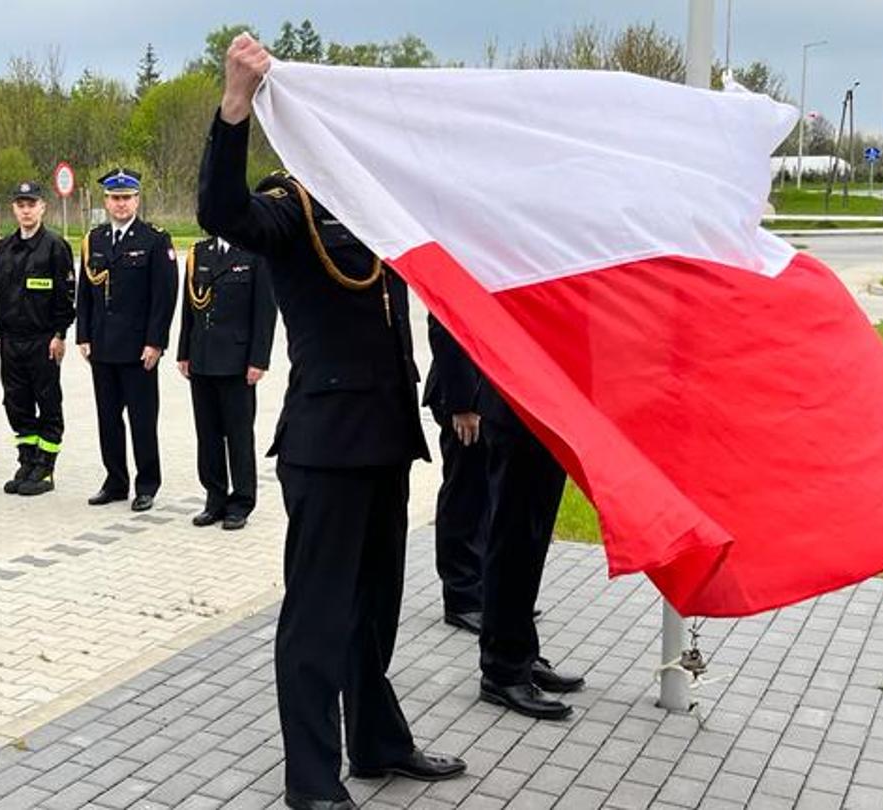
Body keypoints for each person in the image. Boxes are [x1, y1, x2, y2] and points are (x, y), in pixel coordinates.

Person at [200, 35, 465, 810]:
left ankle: (377, 744)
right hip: (325, 445)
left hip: (385, 438)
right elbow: (222, 209)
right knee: (316, 619)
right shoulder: (292, 205)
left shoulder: (379, 203)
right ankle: (310, 780)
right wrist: (234, 109)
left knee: (376, 610)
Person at [427, 326, 586, 720]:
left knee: (530, 541)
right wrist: (462, 400)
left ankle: (520, 651)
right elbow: (449, 321)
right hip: (511, 404)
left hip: (547, 405)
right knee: (510, 540)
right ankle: (502, 668)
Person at [78, 168, 177, 513]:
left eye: (127, 198)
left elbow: (164, 298)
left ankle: (147, 484)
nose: (121, 204)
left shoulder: (154, 239)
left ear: (137, 199)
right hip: (103, 346)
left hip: (138, 349)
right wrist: (84, 335)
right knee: (108, 418)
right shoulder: (96, 239)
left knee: (142, 419)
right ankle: (115, 481)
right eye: (115, 198)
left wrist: (156, 342)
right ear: (106, 201)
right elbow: (86, 294)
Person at [177, 235, 277, 531]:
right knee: (207, 434)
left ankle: (242, 501)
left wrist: (259, 360)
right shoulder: (199, 252)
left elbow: (265, 310)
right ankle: (215, 497)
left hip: (237, 360)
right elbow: (188, 309)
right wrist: (184, 351)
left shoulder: (255, 252)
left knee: (238, 435)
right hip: (202, 357)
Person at [0, 182, 75, 496]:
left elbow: (66, 296)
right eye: (20, 204)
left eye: (32, 204)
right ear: (14, 209)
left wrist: (59, 334)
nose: (26, 210)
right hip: (11, 341)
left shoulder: (55, 246)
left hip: (43, 341)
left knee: (48, 403)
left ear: (42, 208)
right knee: (16, 403)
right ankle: (27, 461)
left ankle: (46, 468)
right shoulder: (4, 248)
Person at [423, 315, 488, 633]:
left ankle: (487, 591)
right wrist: (463, 403)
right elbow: (445, 328)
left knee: (487, 495)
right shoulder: (459, 263)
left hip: (490, 393)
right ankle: (462, 598)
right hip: (463, 398)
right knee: (465, 493)